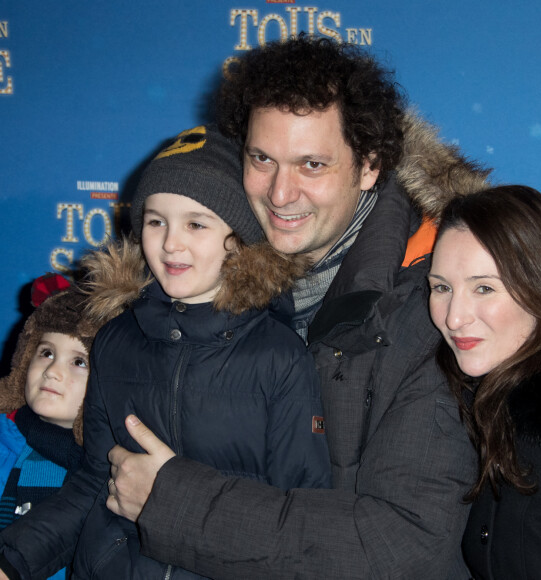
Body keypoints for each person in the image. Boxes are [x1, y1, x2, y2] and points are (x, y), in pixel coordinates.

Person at [104, 36, 494, 579]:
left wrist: (176, 504)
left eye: (311, 164)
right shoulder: (197, 273)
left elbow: (404, 543)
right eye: (262, 159)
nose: (280, 194)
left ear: (369, 167)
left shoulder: (433, 310)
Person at [0, 125, 331, 578]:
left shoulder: (280, 359)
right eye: (156, 221)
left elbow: (301, 514)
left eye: (196, 223)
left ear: (239, 238)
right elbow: (94, 482)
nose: (171, 243)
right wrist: (13, 561)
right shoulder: (116, 340)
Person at [428, 185, 541, 580]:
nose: (454, 317)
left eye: (484, 288)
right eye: (441, 287)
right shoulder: (462, 396)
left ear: (540, 286)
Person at [0, 273, 107, 579]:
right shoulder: (5, 439)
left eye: (79, 362)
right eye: (46, 352)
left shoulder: (113, 471)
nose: (52, 372)